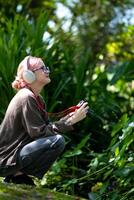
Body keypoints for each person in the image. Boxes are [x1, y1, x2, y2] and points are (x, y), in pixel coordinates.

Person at [0, 56, 89, 185]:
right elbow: (40, 133)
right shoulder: (26, 97)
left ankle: (18, 175)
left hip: (15, 155)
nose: (47, 71)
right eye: (43, 68)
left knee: (56, 140)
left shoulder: (36, 98)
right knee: (57, 141)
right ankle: (16, 175)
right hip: (6, 160)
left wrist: (69, 118)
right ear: (29, 75)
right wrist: (70, 122)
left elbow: (46, 127)